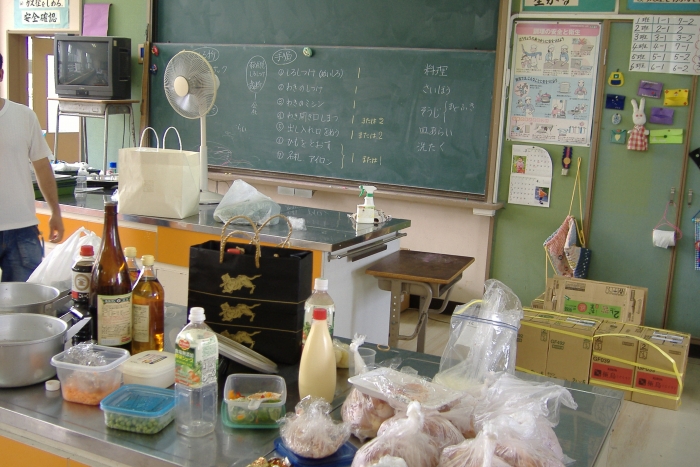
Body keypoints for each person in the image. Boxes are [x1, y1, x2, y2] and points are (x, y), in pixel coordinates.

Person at [0, 52, 64, 282]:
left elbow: (42, 166)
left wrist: (55, 211)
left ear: (1, 74)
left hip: (22, 228)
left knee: (26, 300)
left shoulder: (23, 116)